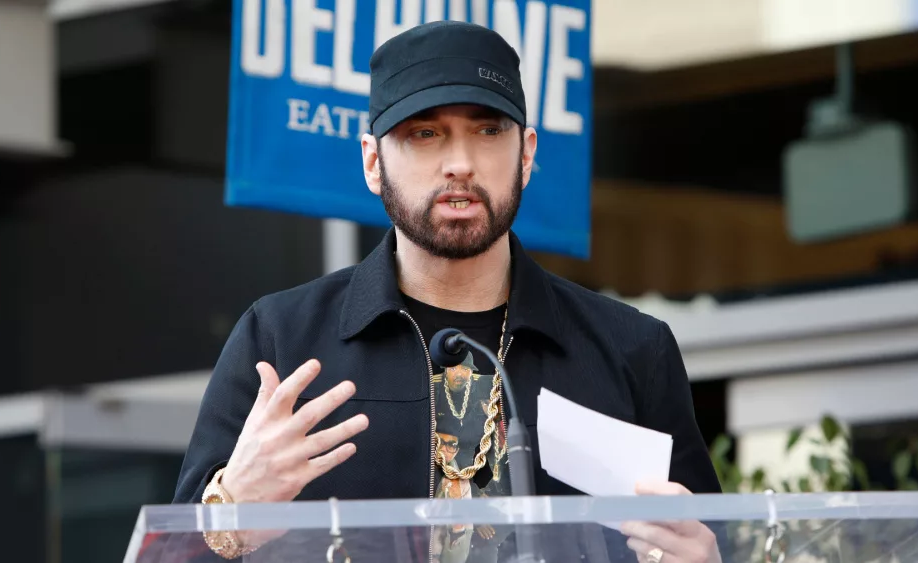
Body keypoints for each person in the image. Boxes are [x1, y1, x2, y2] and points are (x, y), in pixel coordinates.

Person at [173, 20, 723, 563]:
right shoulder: (282, 339)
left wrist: (706, 558)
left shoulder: (630, 349)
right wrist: (233, 509)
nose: (460, 163)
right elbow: (172, 555)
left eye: (488, 131)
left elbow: (706, 535)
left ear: (527, 154)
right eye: (424, 133)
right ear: (372, 161)